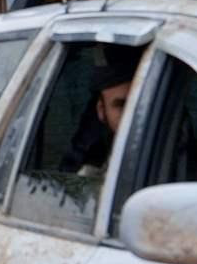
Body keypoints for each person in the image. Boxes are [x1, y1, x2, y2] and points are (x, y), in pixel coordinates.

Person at [57, 45, 140, 175]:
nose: (133, 116)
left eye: (140, 104)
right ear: (101, 110)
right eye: (122, 106)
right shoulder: (89, 162)